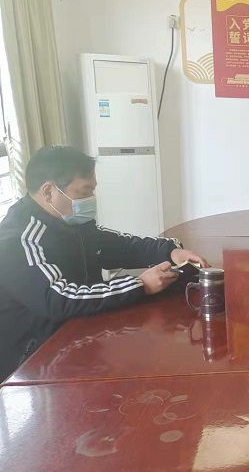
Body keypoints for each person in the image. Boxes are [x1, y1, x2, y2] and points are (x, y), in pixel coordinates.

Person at [0, 146, 208, 381]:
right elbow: (60, 298)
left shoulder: (71, 222)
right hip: (32, 364)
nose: (91, 199)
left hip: (81, 336)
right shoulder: (19, 240)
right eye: (84, 191)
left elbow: (120, 246)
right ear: (49, 191)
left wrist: (171, 252)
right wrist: (140, 285)